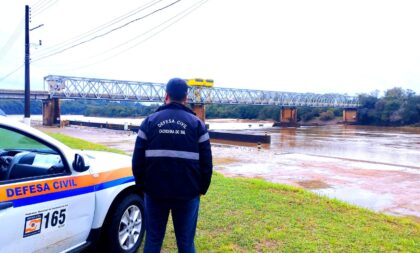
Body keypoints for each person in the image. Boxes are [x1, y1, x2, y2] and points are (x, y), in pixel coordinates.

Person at [132, 78, 213, 253]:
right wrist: (201, 188)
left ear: (166, 95)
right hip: (188, 193)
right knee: (186, 243)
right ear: (186, 97)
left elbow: (137, 160)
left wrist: (142, 186)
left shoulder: (149, 122)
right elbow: (206, 163)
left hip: (154, 192)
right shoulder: (197, 124)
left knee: (153, 240)